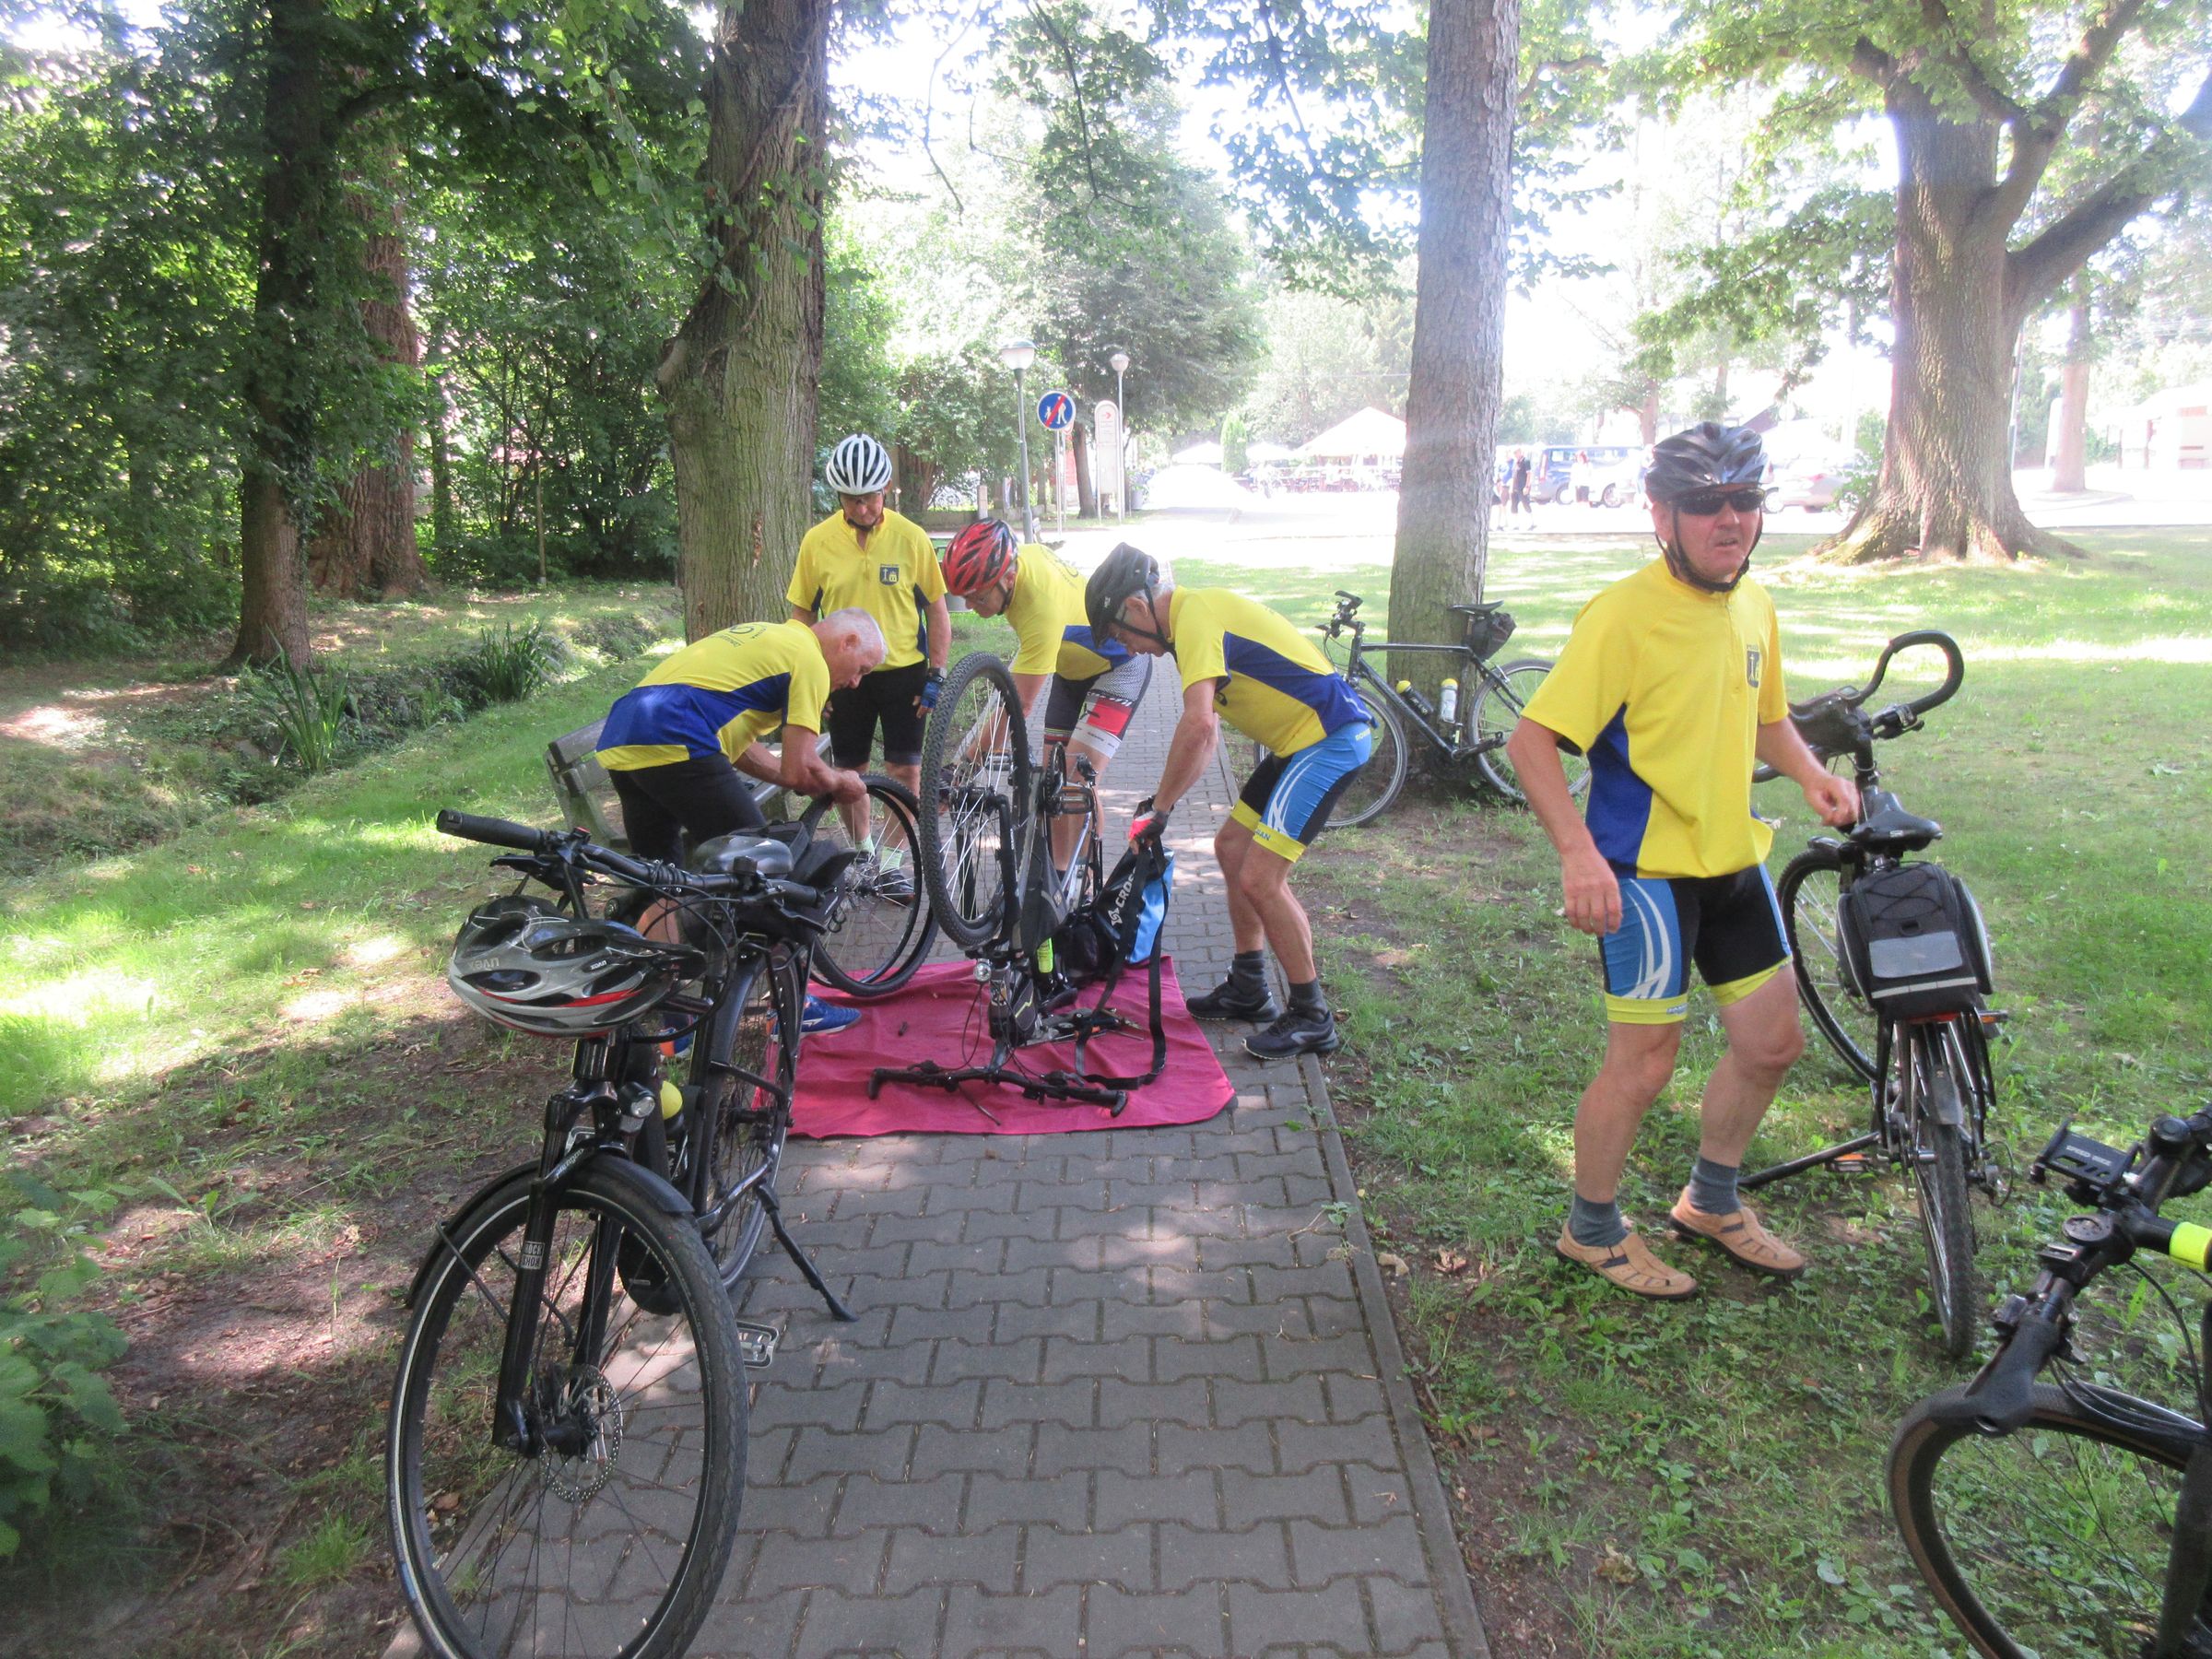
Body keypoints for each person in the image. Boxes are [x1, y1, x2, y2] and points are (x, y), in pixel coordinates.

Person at [1504, 421, 1859, 1300]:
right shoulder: (1623, 614)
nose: (1729, 519)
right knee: (1646, 1063)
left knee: (1772, 1045)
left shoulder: (1754, 602)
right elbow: (1532, 741)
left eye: (1745, 500)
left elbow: (1767, 714)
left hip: (1732, 858)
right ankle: (1591, 1231)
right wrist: (1578, 854)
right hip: (1645, 872)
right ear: (1661, 515)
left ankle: (1710, 1201)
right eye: (1705, 503)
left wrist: (1811, 773)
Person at [1087, 545, 1372, 1062]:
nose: (1129, 649)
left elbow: (1198, 725)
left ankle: (1312, 1017)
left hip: (1329, 739)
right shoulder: (1187, 625)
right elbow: (1207, 739)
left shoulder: (1195, 615)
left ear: (1136, 606)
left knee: (1261, 878)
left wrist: (1161, 809)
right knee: (1232, 848)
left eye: (1122, 635)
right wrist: (1162, 807)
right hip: (1298, 743)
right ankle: (1249, 985)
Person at [597, 608, 889, 1035]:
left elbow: (742, 749)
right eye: (862, 669)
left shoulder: (772, 638)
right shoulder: (808, 657)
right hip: (678, 736)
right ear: (847, 641)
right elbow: (799, 768)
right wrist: (839, 781)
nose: (856, 683)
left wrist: (810, 780)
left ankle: (670, 1023)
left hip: (625, 737)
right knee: (770, 873)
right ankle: (793, 1007)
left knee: (664, 884)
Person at [938, 520, 1153, 869]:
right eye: (964, 596)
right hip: (1071, 671)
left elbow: (1017, 706)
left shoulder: (1039, 607)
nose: (971, 605)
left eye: (979, 596)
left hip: (1120, 666)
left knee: (1076, 780)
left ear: (1009, 578)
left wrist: (961, 771)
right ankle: (1057, 875)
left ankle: (1084, 884)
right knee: (1050, 785)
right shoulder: (1019, 561)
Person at [787, 433, 950, 877]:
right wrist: (807, 681)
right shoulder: (817, 541)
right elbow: (802, 614)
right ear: (839, 496)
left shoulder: (911, 538)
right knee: (849, 772)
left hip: (904, 672)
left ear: (886, 489)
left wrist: (937, 672)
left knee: (905, 771)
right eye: (852, 500)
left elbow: (937, 610)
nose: (862, 509)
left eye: (871, 498)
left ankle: (893, 865)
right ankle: (863, 855)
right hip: (841, 674)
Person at [1509, 448, 1533, 519]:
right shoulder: (1515, 463)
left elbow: (1529, 474)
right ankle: (1516, 522)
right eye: (1514, 453)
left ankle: (1531, 521)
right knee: (1514, 505)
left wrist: (1527, 486)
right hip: (1515, 487)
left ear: (1520, 452)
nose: (1515, 455)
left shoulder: (1526, 461)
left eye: (1516, 453)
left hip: (1523, 487)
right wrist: (1512, 487)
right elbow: (1513, 475)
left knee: (1525, 504)